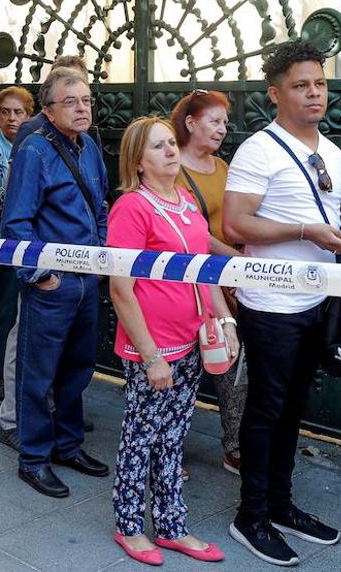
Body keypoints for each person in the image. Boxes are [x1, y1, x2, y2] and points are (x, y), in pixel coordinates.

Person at [223, 40, 341, 566]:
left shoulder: (330, 150)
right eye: (300, 85)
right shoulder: (258, 149)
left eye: (320, 84)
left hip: (319, 301)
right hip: (273, 304)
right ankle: (251, 516)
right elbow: (235, 224)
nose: (314, 94)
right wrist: (308, 230)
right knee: (266, 408)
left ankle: (280, 505)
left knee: (293, 409)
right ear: (275, 93)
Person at [108, 115, 239, 565]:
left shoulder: (185, 202)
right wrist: (150, 358)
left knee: (173, 435)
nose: (170, 151)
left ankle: (171, 525)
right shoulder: (131, 207)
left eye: (170, 144)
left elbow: (203, 271)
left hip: (192, 341)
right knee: (140, 436)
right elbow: (120, 288)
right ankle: (128, 525)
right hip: (154, 348)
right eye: (159, 146)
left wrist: (225, 322)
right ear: (138, 161)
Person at [1, 67, 108, 496]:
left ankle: (68, 446)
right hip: (52, 283)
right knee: (37, 374)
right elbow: (16, 223)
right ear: (47, 109)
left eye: (86, 100)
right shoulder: (34, 151)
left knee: (77, 372)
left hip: (87, 281)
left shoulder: (89, 147)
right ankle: (33, 459)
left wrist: (99, 257)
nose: (82, 108)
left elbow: (99, 204)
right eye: (71, 101)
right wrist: (40, 276)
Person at [172, 88, 247, 476]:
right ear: (191, 123)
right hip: (189, 280)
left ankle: (234, 446)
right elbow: (192, 231)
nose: (222, 129)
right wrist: (233, 258)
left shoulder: (222, 168)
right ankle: (169, 448)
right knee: (184, 367)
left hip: (227, 279)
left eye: (224, 122)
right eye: (214, 121)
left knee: (231, 364)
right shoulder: (173, 169)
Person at [0, 86, 33, 411]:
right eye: (5, 112)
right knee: (5, 311)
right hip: (3, 239)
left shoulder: (36, 144)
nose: (11, 118)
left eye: (18, 112)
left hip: (34, 240)